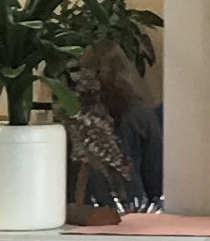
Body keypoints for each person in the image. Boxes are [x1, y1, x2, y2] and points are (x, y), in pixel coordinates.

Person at [67, 37, 164, 217]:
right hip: (131, 212)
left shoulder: (70, 113)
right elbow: (156, 181)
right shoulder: (139, 115)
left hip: (79, 215)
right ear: (124, 71)